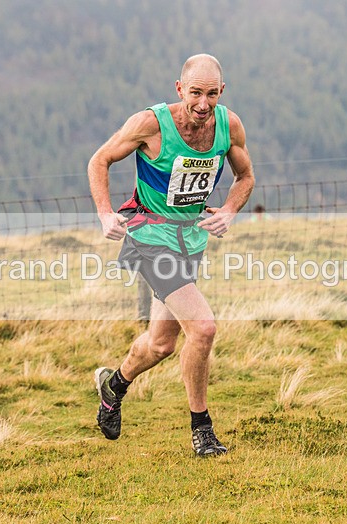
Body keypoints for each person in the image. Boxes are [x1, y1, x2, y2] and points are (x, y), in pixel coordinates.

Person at [87, 53, 255, 456]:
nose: (202, 104)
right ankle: (203, 431)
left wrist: (230, 210)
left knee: (161, 344)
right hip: (149, 238)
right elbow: (100, 160)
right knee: (204, 328)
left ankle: (114, 386)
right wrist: (106, 213)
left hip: (189, 241)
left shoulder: (228, 125)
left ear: (222, 92)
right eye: (195, 93)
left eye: (211, 94)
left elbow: (245, 176)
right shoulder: (151, 124)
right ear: (180, 89)